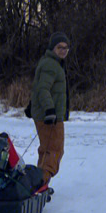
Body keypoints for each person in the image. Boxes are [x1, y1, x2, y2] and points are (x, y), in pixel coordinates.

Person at [28, 31, 70, 184]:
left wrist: (32, 105)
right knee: (54, 150)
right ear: (53, 48)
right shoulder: (51, 65)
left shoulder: (50, 62)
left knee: (47, 150)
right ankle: (38, 183)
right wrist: (49, 110)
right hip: (50, 117)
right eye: (60, 47)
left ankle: (36, 181)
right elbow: (43, 89)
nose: (63, 50)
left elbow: (39, 86)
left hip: (47, 114)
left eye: (66, 48)